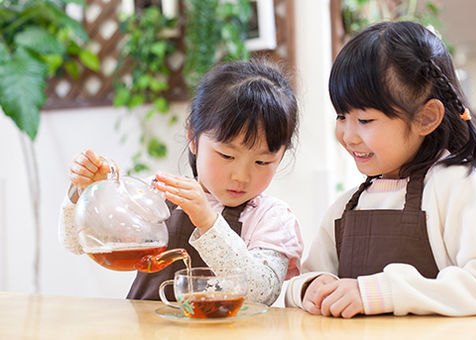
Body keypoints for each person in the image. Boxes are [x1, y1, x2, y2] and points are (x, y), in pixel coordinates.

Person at [285, 21, 476, 317]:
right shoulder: (347, 206)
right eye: (342, 116)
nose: (348, 135)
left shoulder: (455, 186)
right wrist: (309, 288)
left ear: (426, 118)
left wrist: (380, 293)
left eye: (365, 120)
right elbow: (299, 281)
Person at [59, 59, 303, 306]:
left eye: (262, 162)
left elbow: (262, 293)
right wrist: (88, 192)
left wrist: (208, 221)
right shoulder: (156, 195)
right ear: (193, 138)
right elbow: (76, 242)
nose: (241, 176)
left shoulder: (271, 218)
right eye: (227, 156)